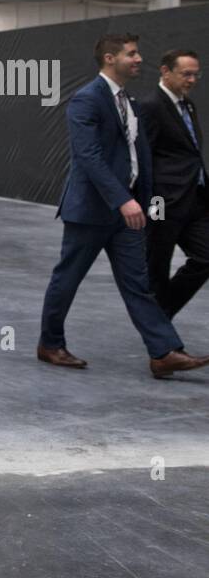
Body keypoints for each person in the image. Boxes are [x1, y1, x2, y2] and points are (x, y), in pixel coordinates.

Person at [38, 33, 209, 378]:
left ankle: (163, 352)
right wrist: (123, 200)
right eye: (131, 54)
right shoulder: (87, 99)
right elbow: (88, 157)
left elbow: (138, 155)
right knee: (68, 278)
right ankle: (50, 343)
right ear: (110, 59)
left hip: (127, 213)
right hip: (91, 211)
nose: (138, 59)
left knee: (138, 285)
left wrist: (141, 201)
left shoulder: (127, 100)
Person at [138, 49, 209, 318]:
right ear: (165, 72)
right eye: (185, 74)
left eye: (195, 74)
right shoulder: (151, 106)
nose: (191, 80)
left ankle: (160, 313)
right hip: (163, 203)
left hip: (194, 200)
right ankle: (160, 339)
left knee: (205, 257)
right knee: (157, 265)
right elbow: (143, 159)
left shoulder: (187, 104)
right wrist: (153, 207)